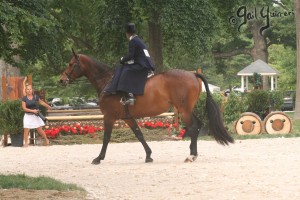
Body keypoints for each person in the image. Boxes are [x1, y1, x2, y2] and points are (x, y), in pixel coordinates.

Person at [105, 22, 155, 105]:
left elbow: (130, 56)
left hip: (142, 65)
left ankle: (130, 96)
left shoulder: (133, 41)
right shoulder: (138, 40)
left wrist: (122, 59)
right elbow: (136, 56)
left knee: (124, 70)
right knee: (126, 67)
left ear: (126, 33)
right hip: (147, 64)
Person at [21, 83, 51, 147]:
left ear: (32, 90)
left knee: (39, 130)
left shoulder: (35, 97)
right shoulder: (24, 98)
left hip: (35, 116)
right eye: (28, 89)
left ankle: (46, 140)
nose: (29, 90)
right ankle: (26, 143)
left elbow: (41, 102)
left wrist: (48, 106)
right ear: (26, 90)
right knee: (26, 129)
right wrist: (32, 111)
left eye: (30, 89)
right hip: (27, 116)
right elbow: (24, 108)